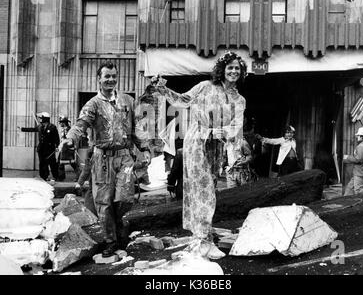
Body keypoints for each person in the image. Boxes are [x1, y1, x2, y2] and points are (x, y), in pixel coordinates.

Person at [153, 50, 247, 259]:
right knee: (201, 189)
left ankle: (202, 235)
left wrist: (227, 133)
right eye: (230, 67)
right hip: (197, 142)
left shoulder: (239, 100)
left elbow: (237, 127)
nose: (233, 71)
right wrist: (162, 89)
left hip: (216, 148)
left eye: (237, 68)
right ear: (222, 70)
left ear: (241, 73)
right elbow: (183, 100)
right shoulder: (205, 87)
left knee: (209, 189)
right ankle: (203, 239)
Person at [60, 61, 151, 257]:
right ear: (99, 79)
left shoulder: (127, 101)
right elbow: (80, 125)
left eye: (113, 76)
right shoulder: (92, 104)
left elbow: (137, 129)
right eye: (106, 76)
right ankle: (112, 241)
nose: (110, 80)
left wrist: (145, 149)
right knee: (104, 204)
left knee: (124, 198)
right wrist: (69, 139)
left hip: (124, 158)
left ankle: (118, 225)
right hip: (102, 161)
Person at [21, 112, 60, 183]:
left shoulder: (52, 127)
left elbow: (56, 138)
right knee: (42, 163)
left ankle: (55, 176)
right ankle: (43, 176)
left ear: (45, 119)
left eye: (41, 118)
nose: (40, 120)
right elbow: (33, 129)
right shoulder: (40, 127)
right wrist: (22, 129)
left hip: (50, 149)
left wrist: (57, 146)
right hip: (41, 148)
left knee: (52, 163)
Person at [57, 115, 81, 182]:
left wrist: (64, 146)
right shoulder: (64, 129)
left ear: (64, 122)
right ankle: (61, 177)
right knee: (60, 163)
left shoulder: (68, 129)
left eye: (61, 122)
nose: (60, 124)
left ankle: (79, 175)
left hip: (67, 149)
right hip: (63, 148)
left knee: (72, 163)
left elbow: (69, 140)